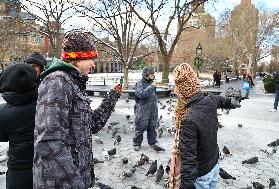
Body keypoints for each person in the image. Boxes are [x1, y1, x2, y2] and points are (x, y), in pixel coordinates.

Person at [33, 31, 122, 189]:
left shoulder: (74, 84)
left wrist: (112, 98)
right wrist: (76, 183)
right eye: (90, 58)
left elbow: (92, 125)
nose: (94, 64)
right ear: (76, 58)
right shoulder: (57, 81)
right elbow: (48, 142)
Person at [169, 63, 240, 189]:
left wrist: (186, 185)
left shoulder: (188, 119)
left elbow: (188, 158)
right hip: (214, 162)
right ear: (194, 81)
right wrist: (231, 101)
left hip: (201, 173)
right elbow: (220, 100)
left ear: (180, 88)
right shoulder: (207, 98)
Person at [0, 63, 38, 189]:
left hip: (19, 172)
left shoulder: (5, 112)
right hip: (46, 167)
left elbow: (3, 136)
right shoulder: (45, 104)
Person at [133, 66, 163, 151]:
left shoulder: (152, 83)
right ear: (146, 74)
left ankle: (152, 142)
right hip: (143, 108)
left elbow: (153, 94)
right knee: (140, 126)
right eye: (150, 74)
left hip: (153, 108)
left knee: (152, 126)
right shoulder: (140, 83)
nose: (152, 75)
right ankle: (137, 143)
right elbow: (140, 94)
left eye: (153, 74)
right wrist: (151, 87)